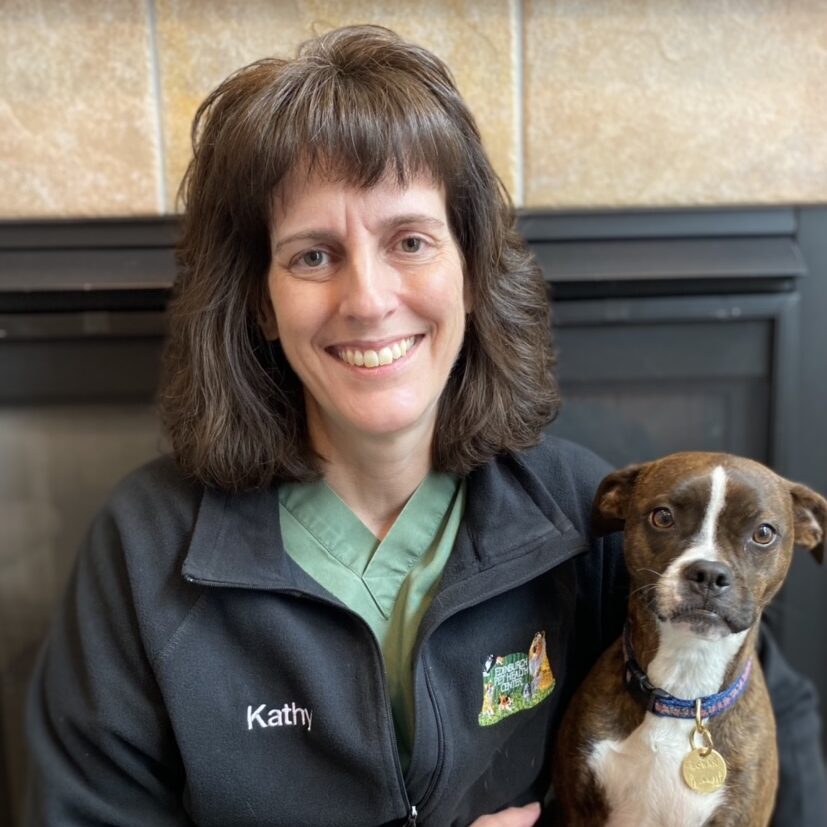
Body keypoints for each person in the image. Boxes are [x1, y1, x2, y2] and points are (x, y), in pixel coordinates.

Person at [24, 25, 826, 827]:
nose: (368, 299)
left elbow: (768, 706)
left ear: (470, 272)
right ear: (260, 303)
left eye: (409, 241)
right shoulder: (144, 551)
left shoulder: (577, 508)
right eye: (311, 255)